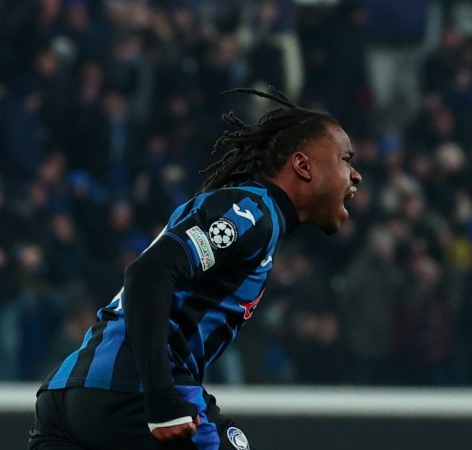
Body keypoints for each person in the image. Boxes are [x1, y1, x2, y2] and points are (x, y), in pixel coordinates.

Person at [29, 87, 362, 450]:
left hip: (69, 394)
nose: (356, 175)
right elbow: (147, 274)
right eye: (346, 159)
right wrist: (160, 397)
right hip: (130, 389)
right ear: (303, 165)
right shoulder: (252, 213)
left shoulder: (251, 215)